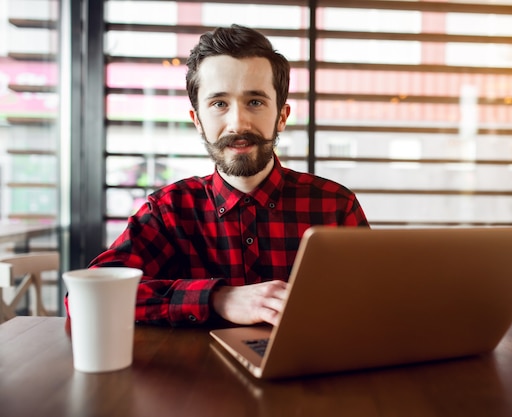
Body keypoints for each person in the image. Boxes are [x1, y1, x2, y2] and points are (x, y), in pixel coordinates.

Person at [86, 24, 369, 327]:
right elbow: (91, 295)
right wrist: (218, 298)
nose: (238, 123)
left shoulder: (335, 206)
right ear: (197, 120)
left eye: (255, 102)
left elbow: (376, 301)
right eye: (219, 104)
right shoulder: (168, 212)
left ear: (282, 116)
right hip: (195, 374)